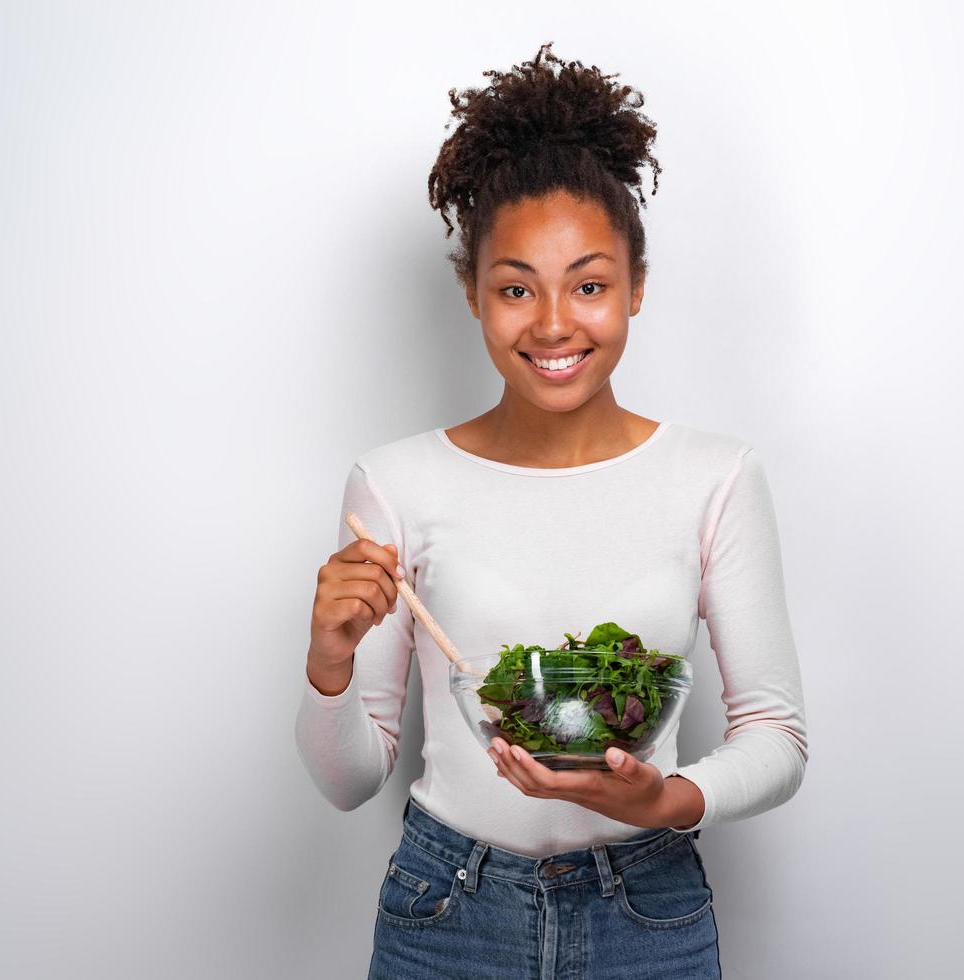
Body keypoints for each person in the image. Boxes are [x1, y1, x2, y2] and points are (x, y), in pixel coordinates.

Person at [294, 41, 808, 980]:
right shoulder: (394, 483)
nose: (555, 324)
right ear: (473, 294)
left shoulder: (716, 476)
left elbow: (775, 734)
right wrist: (329, 665)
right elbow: (350, 778)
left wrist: (669, 799)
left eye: (590, 284)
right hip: (446, 910)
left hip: (647, 911)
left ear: (636, 286)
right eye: (517, 288)